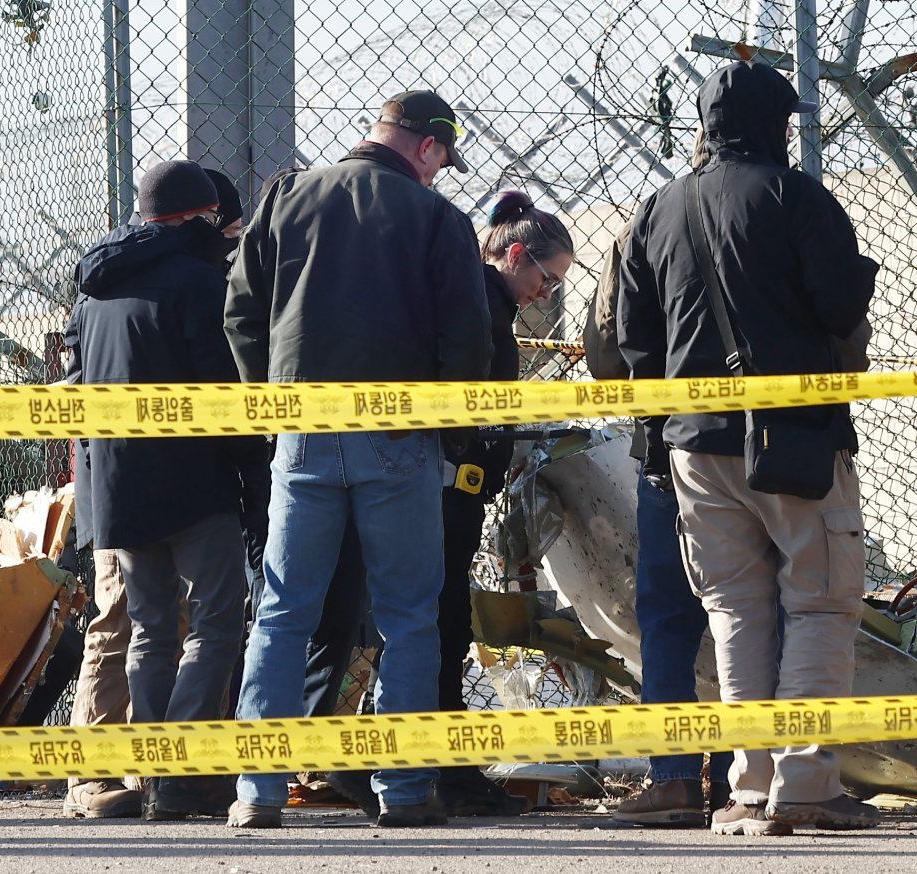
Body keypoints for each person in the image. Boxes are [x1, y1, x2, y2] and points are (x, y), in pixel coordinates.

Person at [618, 61, 880, 836]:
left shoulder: (656, 210)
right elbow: (838, 304)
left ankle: (746, 789)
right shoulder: (796, 196)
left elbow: (633, 340)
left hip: (694, 441)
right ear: (780, 122)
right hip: (793, 435)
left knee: (735, 610)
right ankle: (805, 783)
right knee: (821, 600)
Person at [224, 89, 491, 829]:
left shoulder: (285, 197)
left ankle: (258, 792)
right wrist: (454, 432)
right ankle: (402, 793)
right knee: (408, 617)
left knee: (280, 615)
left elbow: (241, 310)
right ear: (429, 148)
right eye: (444, 161)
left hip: (302, 432)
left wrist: (269, 408)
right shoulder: (438, 219)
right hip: (399, 435)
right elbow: (465, 338)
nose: (442, 175)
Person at [330, 190, 575, 818]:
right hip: (442, 483)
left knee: (431, 621)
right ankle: (434, 765)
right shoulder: (475, 304)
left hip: (449, 480)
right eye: (545, 279)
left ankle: (434, 761)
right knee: (434, 623)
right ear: (515, 255)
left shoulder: (483, 302)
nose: (545, 295)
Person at [66, 159, 251, 821]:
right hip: (194, 485)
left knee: (148, 632)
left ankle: (146, 772)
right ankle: (180, 773)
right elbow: (222, 394)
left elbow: (78, 381)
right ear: (199, 217)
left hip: (118, 486)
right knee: (216, 626)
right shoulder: (198, 283)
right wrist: (252, 478)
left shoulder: (94, 289)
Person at [586, 130, 734, 829]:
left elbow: (605, 349)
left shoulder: (646, 217)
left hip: (668, 448)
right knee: (758, 611)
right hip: (769, 447)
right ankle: (748, 777)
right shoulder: (788, 204)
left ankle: (674, 777)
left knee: (669, 618)